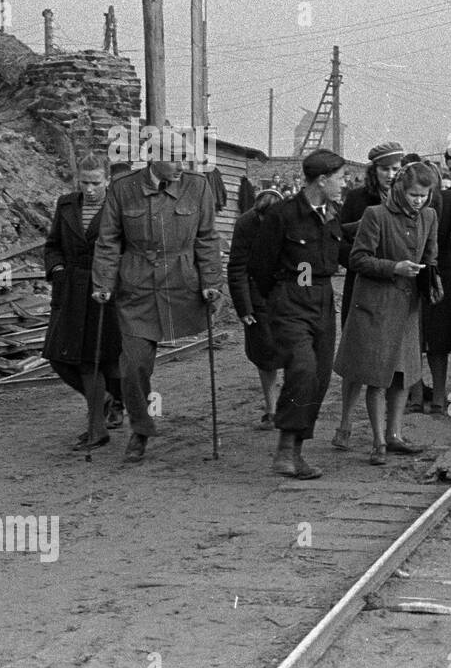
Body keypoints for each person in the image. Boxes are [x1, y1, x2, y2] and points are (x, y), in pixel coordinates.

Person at [92, 150, 222, 464]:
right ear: (154, 159)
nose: (182, 166)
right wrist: (104, 283)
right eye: (175, 158)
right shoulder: (123, 188)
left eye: (185, 158)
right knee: (134, 364)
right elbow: (108, 239)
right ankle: (141, 428)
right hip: (137, 288)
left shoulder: (198, 186)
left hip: (181, 284)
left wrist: (212, 281)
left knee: (138, 362)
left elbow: (207, 237)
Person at [334, 162, 442, 463]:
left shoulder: (430, 217)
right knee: (377, 376)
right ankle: (379, 442)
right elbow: (357, 259)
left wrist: (433, 279)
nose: (418, 201)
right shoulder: (376, 215)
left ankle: (395, 436)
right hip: (376, 306)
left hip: (408, 308)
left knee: (402, 376)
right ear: (399, 190)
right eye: (412, 195)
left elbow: (431, 255)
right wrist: (394, 267)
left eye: (424, 196)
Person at [250, 149, 349, 479]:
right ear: (322, 180)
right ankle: (284, 452)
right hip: (290, 301)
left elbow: (342, 254)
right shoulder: (282, 215)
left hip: (322, 299)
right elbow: (260, 267)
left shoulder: (332, 214)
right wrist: (279, 299)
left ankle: (295, 452)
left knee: (318, 379)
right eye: (340, 178)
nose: (344, 184)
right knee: (303, 370)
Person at [43, 156, 124, 450]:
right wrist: (57, 269)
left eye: (96, 182)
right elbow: (52, 246)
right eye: (84, 182)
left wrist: (111, 281)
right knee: (58, 356)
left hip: (102, 291)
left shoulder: (117, 208)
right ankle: (103, 400)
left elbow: (127, 250)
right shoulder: (65, 205)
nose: (89, 189)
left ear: (107, 180)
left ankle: (97, 429)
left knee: (93, 361)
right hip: (69, 291)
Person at [333, 143, 404, 445]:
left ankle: (391, 432)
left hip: (396, 288)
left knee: (393, 359)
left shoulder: (408, 200)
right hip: (362, 285)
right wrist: (365, 258)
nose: (391, 174)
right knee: (356, 356)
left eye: (396, 169)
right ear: (373, 171)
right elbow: (338, 245)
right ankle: (345, 423)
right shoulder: (358, 199)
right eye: (385, 169)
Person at [227, 187, 285, 428]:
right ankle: (271, 411)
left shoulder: (291, 220)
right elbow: (237, 267)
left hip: (287, 297)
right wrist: (244, 307)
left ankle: (289, 409)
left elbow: (304, 262)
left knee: (295, 354)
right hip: (257, 298)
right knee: (265, 355)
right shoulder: (245, 224)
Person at [417, 161, 451, 414]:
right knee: (415, 336)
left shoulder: (450, 200)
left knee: (439, 338)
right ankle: (415, 394)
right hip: (414, 272)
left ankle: (439, 394)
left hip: (442, 272)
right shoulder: (407, 202)